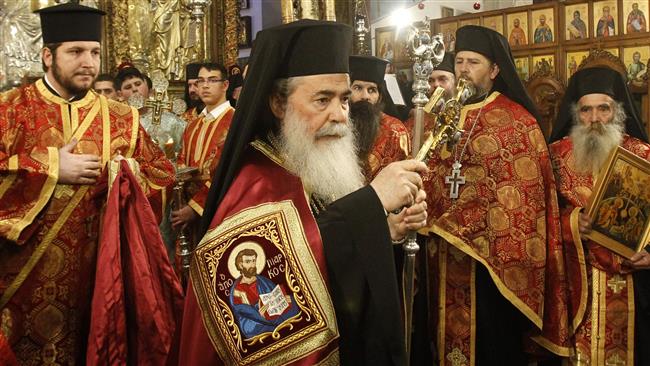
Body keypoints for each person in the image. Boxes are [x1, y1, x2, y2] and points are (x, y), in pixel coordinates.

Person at [178, 20, 429, 365]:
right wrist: (371, 203)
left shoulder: (312, 163)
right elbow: (268, 283)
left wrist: (385, 230)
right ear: (278, 105)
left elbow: (331, 250)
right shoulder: (257, 179)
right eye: (322, 100)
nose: (340, 115)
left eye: (344, 99)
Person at [0, 3, 180, 364]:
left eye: (95, 52)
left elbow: (162, 175)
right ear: (48, 56)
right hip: (22, 278)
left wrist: (123, 176)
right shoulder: (10, 110)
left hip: (98, 276)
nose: (88, 62)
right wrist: (51, 167)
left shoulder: (121, 117)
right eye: (76, 52)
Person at [420, 25, 569, 364]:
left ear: (495, 69)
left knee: (490, 347)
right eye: (459, 61)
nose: (463, 69)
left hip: (489, 268)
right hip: (439, 256)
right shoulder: (440, 116)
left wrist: (459, 225)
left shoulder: (517, 122)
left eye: (473, 62)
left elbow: (521, 197)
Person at [547, 66, 650, 365]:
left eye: (603, 109)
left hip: (635, 288)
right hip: (577, 288)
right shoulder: (554, 157)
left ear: (618, 111)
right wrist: (571, 222)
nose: (594, 120)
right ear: (575, 113)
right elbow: (537, 217)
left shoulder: (643, 155)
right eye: (585, 110)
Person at [171, 63, 234, 235]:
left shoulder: (234, 121)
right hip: (187, 208)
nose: (205, 86)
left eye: (212, 80)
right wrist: (181, 200)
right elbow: (182, 160)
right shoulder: (192, 124)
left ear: (225, 85)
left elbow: (226, 170)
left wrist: (195, 208)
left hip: (219, 209)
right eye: (201, 81)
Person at [348, 55, 409, 181]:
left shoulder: (395, 131)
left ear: (380, 96)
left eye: (372, 90)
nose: (365, 96)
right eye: (358, 88)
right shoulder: (336, 125)